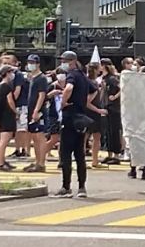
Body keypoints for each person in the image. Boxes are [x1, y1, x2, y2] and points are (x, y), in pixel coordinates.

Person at [55, 51, 90, 198]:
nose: (63, 63)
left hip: (70, 118)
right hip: (81, 118)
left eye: (64, 60)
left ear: (72, 62)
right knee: (80, 154)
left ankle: (66, 186)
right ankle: (82, 187)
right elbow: (93, 90)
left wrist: (63, 102)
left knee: (66, 154)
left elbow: (68, 88)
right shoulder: (83, 76)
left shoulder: (72, 75)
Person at [23, 54, 49, 172]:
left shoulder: (41, 78)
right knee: (34, 137)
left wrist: (36, 110)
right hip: (31, 110)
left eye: (33, 62)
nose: (30, 64)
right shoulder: (32, 78)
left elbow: (42, 95)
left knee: (40, 137)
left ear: (38, 64)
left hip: (38, 111)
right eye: (29, 62)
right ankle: (37, 161)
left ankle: (41, 163)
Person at [0, 65, 19, 171]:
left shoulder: (0, 85)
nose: (12, 74)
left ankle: (1, 161)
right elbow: (10, 101)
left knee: (1, 140)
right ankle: (0, 163)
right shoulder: (6, 86)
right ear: (7, 73)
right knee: (4, 140)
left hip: (2, 115)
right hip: (7, 115)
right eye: (11, 72)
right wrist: (15, 112)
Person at [84, 65, 107, 169]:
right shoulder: (92, 84)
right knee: (94, 137)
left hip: (88, 112)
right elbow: (88, 102)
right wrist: (99, 110)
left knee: (88, 137)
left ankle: (93, 160)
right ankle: (94, 160)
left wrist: (101, 90)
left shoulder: (87, 82)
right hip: (92, 113)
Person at [101, 60, 123, 165]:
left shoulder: (112, 79)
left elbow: (121, 88)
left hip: (114, 108)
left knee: (114, 131)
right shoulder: (104, 78)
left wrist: (115, 97)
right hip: (107, 106)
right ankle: (109, 154)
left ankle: (116, 154)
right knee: (108, 132)